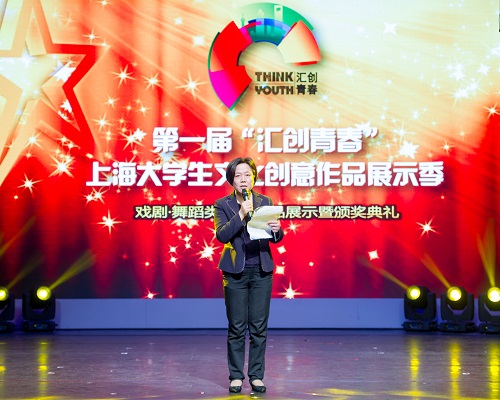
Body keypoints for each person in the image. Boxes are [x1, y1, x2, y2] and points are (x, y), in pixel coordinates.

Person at [214, 157, 284, 394]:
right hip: (235, 272)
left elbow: (274, 237)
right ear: (231, 180)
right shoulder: (222, 204)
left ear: (254, 176)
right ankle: (236, 376)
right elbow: (222, 235)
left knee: (258, 328)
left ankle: (256, 376)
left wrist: (277, 231)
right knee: (236, 327)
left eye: (247, 174)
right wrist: (241, 214)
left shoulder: (265, 201)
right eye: (238, 176)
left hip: (261, 271)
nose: (243, 179)